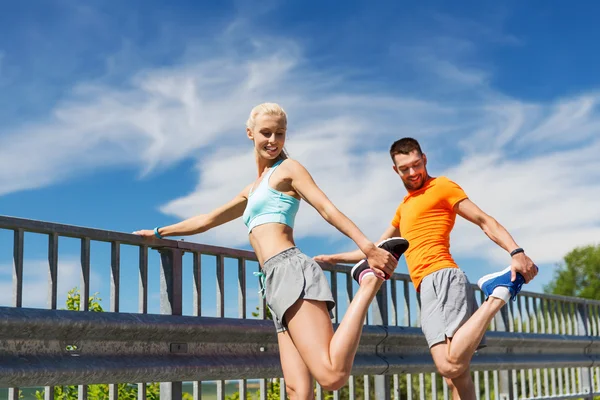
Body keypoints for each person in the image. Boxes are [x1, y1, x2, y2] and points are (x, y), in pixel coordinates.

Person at [133, 103, 409, 400]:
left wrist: (367, 248)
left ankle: (368, 281)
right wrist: (159, 233)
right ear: (250, 133)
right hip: (273, 282)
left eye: (280, 134)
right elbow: (207, 220)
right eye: (266, 133)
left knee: (331, 376)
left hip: (292, 270)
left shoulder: (288, 169)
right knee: (297, 390)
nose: (273, 140)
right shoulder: (251, 190)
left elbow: (326, 208)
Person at [315, 137, 538, 400]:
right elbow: (376, 248)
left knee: (448, 364)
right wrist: (332, 258)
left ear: (425, 159)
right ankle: (497, 293)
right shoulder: (404, 207)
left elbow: (483, 220)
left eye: (416, 164)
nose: (412, 173)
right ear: (395, 170)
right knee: (457, 376)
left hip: (440, 277)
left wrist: (515, 251)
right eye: (404, 169)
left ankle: (497, 294)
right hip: (430, 284)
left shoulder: (442, 186)